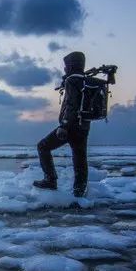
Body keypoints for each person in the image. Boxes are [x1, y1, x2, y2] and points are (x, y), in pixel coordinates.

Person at [33, 51, 91, 197]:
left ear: (71, 65)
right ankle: (79, 190)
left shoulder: (72, 80)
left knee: (43, 146)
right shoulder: (85, 80)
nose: (64, 69)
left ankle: (50, 180)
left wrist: (64, 125)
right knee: (80, 156)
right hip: (84, 125)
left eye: (66, 65)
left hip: (70, 126)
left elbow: (72, 105)